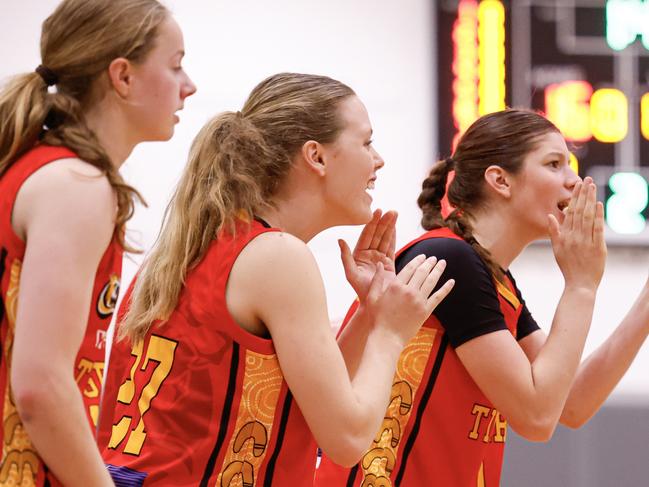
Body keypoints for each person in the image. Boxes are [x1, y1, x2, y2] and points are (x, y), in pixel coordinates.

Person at [96, 72, 455, 486]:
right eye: (367, 142)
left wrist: (372, 316)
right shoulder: (279, 257)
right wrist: (391, 335)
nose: (378, 160)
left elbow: (309, 401)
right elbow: (347, 437)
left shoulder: (191, 247)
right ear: (316, 156)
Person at [316, 108, 649, 486]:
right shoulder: (451, 259)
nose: (574, 181)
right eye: (554, 164)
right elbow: (537, 416)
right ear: (500, 180)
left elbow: (569, 404)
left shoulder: (493, 277)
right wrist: (581, 286)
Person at [0, 0, 196, 485]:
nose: (189, 86)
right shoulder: (76, 186)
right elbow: (41, 386)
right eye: (175, 66)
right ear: (122, 76)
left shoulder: (44, 169)